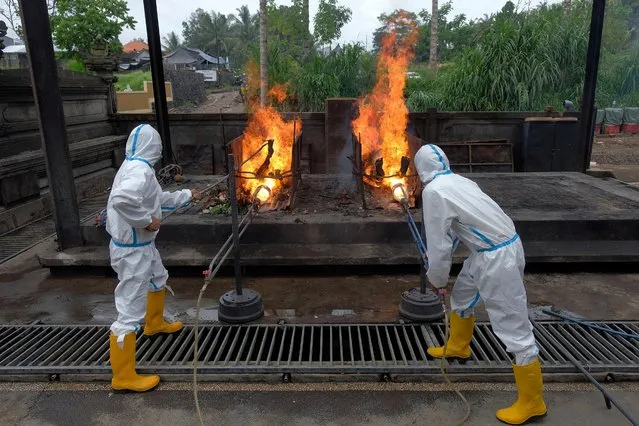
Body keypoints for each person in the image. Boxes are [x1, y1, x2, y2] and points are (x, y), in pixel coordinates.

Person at [414, 144, 547, 425]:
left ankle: (533, 402)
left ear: (419, 169)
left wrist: (436, 277)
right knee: (462, 297)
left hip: (497, 258)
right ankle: (459, 345)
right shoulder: (459, 180)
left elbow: (438, 244)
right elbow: (458, 229)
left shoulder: (433, 192)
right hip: (492, 248)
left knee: (513, 327)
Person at [106, 124, 198, 393]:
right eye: (157, 145)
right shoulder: (140, 171)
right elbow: (124, 200)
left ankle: (154, 323)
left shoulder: (134, 166)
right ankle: (123, 376)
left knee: (158, 278)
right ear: (153, 146)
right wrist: (146, 222)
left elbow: (156, 201)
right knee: (128, 311)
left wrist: (188, 196)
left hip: (141, 247)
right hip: (132, 251)